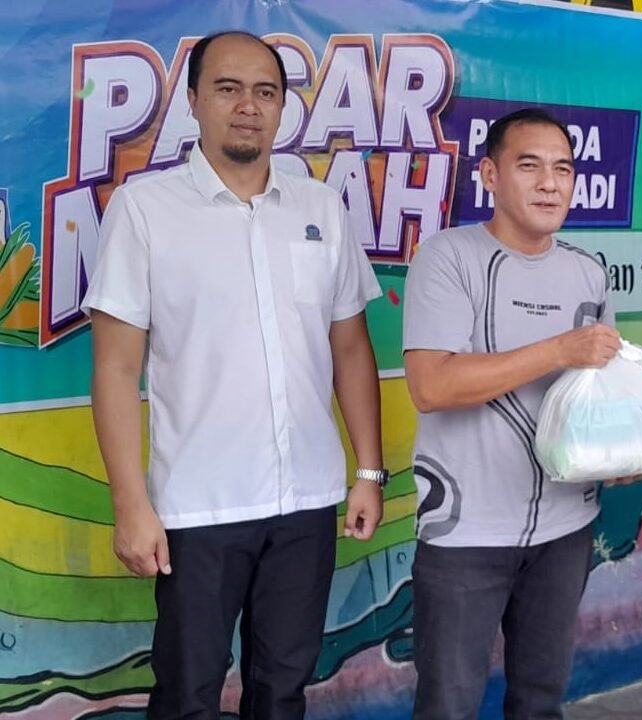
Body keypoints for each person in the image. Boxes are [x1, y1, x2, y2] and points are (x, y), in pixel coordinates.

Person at [84, 31, 386, 719]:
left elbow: (349, 347)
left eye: (265, 92)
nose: (248, 106)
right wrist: (131, 506)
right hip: (199, 507)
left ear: (282, 107)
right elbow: (116, 366)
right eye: (228, 88)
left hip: (306, 499)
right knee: (187, 695)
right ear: (193, 101)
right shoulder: (145, 209)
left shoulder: (319, 209)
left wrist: (368, 471)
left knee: (282, 691)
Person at [401, 108, 620, 720]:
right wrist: (558, 350)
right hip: (466, 532)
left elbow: (597, 397)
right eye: (530, 166)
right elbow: (432, 385)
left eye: (563, 169)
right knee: (447, 706)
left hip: (566, 526)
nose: (550, 184)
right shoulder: (448, 257)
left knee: (541, 701)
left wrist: (628, 448)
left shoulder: (589, 272)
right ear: (490, 175)